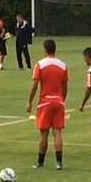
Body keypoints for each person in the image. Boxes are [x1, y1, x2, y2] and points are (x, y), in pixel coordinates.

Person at [27, 39, 69, 170]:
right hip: (58, 101)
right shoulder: (63, 65)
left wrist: (29, 102)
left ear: (45, 49)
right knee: (57, 132)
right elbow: (65, 86)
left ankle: (40, 162)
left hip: (45, 102)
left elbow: (34, 85)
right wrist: (62, 99)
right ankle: (59, 162)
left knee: (43, 134)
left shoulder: (40, 64)